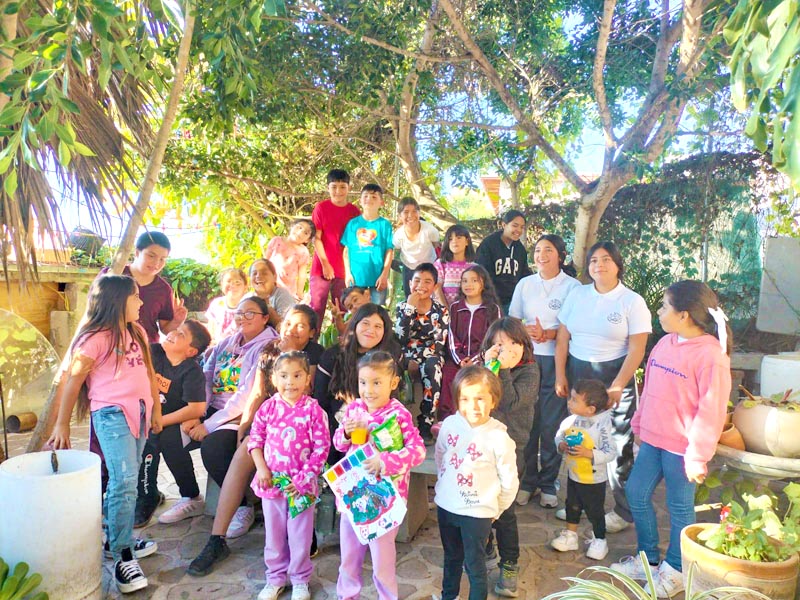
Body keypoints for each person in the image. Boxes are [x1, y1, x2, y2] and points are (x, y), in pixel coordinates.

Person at [609, 281, 732, 598]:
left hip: (683, 450)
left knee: (679, 508)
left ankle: (676, 569)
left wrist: (697, 456)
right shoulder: (665, 343)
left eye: (664, 307)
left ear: (684, 315)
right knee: (636, 492)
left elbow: (712, 409)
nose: (659, 312)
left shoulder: (711, 356)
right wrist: (639, 423)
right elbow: (649, 388)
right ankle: (647, 561)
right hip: (654, 440)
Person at [187, 305, 324, 576]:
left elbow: (307, 392)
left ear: (311, 332)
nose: (292, 330)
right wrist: (246, 427)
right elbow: (258, 393)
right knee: (243, 452)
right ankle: (217, 539)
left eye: (300, 325)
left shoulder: (314, 355)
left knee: (292, 460)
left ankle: (302, 531)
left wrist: (289, 354)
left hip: (302, 428)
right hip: (270, 422)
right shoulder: (269, 351)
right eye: (289, 323)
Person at [48, 275, 162, 594]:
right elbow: (74, 381)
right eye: (135, 296)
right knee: (123, 481)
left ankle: (117, 539)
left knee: (128, 479)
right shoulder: (94, 339)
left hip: (141, 411)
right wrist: (61, 423)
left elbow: (149, 372)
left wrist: (156, 409)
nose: (141, 302)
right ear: (116, 301)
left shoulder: (137, 331)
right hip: (111, 415)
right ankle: (122, 554)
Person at [554, 241, 651, 533]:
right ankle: (579, 504)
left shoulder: (632, 301)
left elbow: (637, 349)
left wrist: (618, 385)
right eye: (594, 260)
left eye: (606, 259)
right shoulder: (577, 294)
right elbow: (562, 339)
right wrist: (560, 375)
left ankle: (623, 510)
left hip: (615, 376)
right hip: (579, 374)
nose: (599, 265)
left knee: (619, 445)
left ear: (618, 265)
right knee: (579, 440)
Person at [333, 351, 426, 600]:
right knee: (349, 556)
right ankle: (346, 595)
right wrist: (345, 433)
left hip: (385, 501)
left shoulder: (399, 415)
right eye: (363, 382)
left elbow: (417, 451)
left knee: (382, 562)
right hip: (353, 497)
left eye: (376, 383)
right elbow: (339, 444)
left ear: (393, 383)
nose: (368, 390)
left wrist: (385, 462)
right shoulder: (354, 408)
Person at [183, 296, 277, 537]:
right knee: (171, 436)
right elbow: (206, 376)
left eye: (250, 313)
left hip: (241, 415)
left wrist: (209, 425)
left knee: (213, 447)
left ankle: (243, 506)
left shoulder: (268, 346)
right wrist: (198, 412)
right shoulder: (226, 343)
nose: (242, 318)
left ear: (265, 318)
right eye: (239, 313)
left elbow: (247, 394)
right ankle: (189, 497)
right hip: (212, 409)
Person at [249, 351, 330, 600]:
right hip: (272, 485)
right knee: (273, 535)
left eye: (297, 375)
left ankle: (300, 580)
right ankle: (275, 578)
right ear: (274, 378)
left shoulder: (314, 410)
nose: (290, 382)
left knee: (300, 536)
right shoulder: (268, 408)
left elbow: (321, 448)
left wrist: (303, 479)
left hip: (301, 488)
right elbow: (255, 440)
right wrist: (261, 468)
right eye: (283, 376)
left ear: (307, 378)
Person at [433, 365, 518, 600]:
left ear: (493, 400)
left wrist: (496, 509)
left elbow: (509, 480)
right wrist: (445, 486)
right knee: (452, 559)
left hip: (477, 513)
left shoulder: (499, 437)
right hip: (447, 507)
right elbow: (441, 454)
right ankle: (449, 596)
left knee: (475, 566)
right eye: (465, 399)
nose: (473, 406)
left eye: (480, 398)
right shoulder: (449, 425)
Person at [510, 234, 581, 509]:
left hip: (558, 362)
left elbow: (574, 327)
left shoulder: (573, 287)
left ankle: (549, 483)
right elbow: (513, 321)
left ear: (561, 255)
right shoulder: (525, 284)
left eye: (548, 250)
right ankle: (527, 482)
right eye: (538, 250)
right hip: (527, 361)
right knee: (528, 422)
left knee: (552, 424)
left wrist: (548, 334)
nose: (541, 255)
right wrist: (527, 332)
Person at [480, 317, 539, 597]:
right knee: (480, 505)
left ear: (525, 345)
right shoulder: (487, 368)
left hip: (512, 450)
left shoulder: (530, 371)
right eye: (501, 344)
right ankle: (487, 548)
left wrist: (500, 370)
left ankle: (510, 564)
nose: (509, 349)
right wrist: (486, 368)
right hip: (483, 448)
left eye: (515, 342)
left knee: (505, 512)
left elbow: (510, 401)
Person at [135, 320, 212, 528]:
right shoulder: (155, 352)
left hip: (177, 422)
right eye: (176, 330)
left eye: (181, 334)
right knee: (143, 438)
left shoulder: (191, 372)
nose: (173, 333)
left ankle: (189, 496)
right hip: (149, 417)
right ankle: (146, 493)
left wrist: (159, 421)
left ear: (191, 351)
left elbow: (195, 409)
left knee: (164, 439)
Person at [315, 303, 401, 463]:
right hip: (338, 433)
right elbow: (321, 402)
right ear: (355, 324)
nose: (371, 330)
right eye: (365, 323)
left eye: (378, 326)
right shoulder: (332, 356)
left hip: (378, 438)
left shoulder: (388, 360)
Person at [550, 380, 616, 561]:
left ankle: (600, 539)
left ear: (590, 409)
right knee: (572, 505)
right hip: (574, 475)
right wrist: (561, 444)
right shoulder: (570, 421)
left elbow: (610, 452)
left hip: (593, 480)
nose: (569, 402)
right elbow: (559, 435)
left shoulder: (602, 426)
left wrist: (589, 453)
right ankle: (570, 536)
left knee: (595, 511)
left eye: (574, 400)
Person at [394, 263, 449, 443]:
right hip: (405, 353)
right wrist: (410, 309)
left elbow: (439, 342)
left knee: (433, 367)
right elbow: (399, 338)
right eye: (417, 280)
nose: (421, 285)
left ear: (434, 286)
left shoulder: (441, 311)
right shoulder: (402, 307)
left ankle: (425, 424)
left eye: (427, 281)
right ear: (410, 283)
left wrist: (418, 359)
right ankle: (394, 422)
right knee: (389, 367)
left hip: (430, 354)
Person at [99, 231, 186, 343]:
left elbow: (165, 329)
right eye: (151, 256)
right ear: (137, 252)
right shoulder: (112, 275)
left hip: (147, 348)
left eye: (162, 259)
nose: (156, 263)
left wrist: (176, 321)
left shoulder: (164, 289)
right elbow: (93, 310)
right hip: (110, 344)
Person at [440, 265, 501, 420]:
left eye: (474, 280)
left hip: (482, 360)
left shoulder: (492, 309)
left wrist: (475, 359)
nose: (469, 284)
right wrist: (460, 360)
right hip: (457, 360)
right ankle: (447, 421)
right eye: (465, 281)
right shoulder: (455, 308)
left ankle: (476, 419)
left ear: (483, 284)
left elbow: (494, 339)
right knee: (448, 376)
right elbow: (450, 335)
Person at [309, 169, 361, 326]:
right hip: (321, 268)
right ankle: (312, 340)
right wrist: (325, 263)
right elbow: (316, 238)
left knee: (342, 311)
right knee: (316, 309)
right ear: (328, 188)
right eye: (334, 187)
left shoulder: (354, 212)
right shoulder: (321, 208)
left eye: (342, 187)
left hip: (344, 270)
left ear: (349, 188)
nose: (338, 191)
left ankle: (339, 341)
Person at [342, 183, 394, 305]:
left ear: (381, 202)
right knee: (356, 311)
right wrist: (347, 273)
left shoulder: (385, 225)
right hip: (356, 278)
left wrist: (384, 275)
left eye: (374, 197)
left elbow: (389, 251)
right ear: (360, 201)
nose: (369, 199)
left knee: (376, 310)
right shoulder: (353, 224)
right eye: (365, 196)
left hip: (377, 278)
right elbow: (346, 250)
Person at [475, 210, 532, 314]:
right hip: (490, 301)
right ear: (504, 225)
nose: (519, 230)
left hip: (511, 302)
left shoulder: (520, 250)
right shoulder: (488, 244)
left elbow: (523, 274)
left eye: (522, 227)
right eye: (515, 225)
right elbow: (481, 272)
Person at [392, 197, 440, 296]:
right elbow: (397, 250)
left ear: (419, 213)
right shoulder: (398, 235)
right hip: (409, 267)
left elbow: (437, 246)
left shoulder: (430, 230)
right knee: (410, 297)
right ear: (400, 216)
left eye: (414, 211)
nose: (410, 215)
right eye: (406, 212)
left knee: (430, 296)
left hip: (429, 266)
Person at [263, 219, 315, 300]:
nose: (300, 232)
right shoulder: (276, 241)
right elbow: (265, 262)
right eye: (299, 227)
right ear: (292, 226)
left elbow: (302, 274)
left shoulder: (303, 252)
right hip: (268, 285)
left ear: (307, 240)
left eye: (305, 233)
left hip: (286, 291)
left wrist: (299, 293)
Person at [434, 224, 476, 308]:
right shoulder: (440, 264)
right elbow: (437, 289)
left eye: (458, 237)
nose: (454, 241)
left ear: (467, 241)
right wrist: (447, 311)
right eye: (450, 239)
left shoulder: (474, 267)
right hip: (443, 311)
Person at [248, 259, 297, 329]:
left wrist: (267, 306)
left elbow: (286, 328)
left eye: (264, 273)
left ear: (274, 277)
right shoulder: (247, 298)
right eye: (254, 273)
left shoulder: (282, 295)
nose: (258, 276)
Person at [205, 268, 248, 342]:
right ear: (221, 285)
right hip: (219, 346)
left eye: (237, 282)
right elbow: (211, 330)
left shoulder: (249, 306)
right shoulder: (216, 304)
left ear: (245, 287)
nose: (233, 285)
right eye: (228, 281)